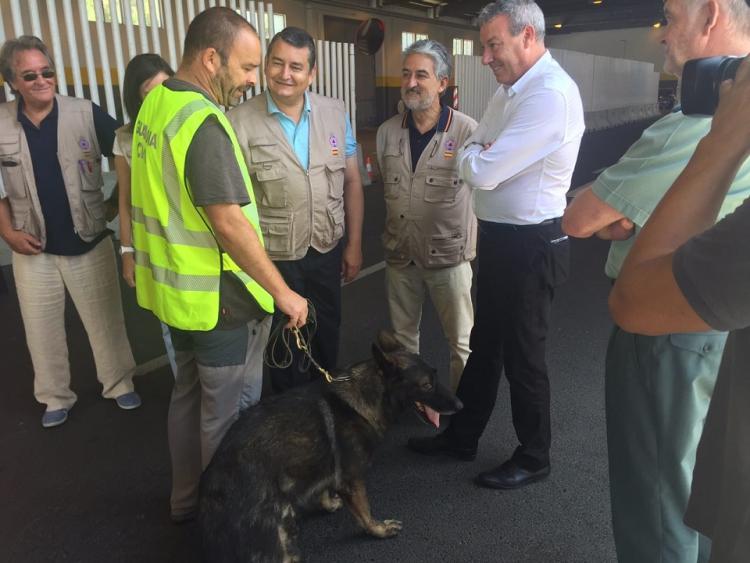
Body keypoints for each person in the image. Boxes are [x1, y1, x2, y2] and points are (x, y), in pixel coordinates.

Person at [562, 1, 750, 560]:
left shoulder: (699, 124)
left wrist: (629, 219)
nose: (662, 35)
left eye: (670, 17)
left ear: (711, 15)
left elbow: (582, 217)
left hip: (666, 332)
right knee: (697, 485)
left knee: (658, 504)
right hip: (720, 323)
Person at [128, 7, 308, 522]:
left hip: (175, 297)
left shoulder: (157, 104)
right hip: (220, 302)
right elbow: (229, 225)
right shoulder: (203, 122)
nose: (255, 81)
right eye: (249, 68)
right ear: (211, 58)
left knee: (186, 399)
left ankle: (185, 502)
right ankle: (226, 520)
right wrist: (283, 293)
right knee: (226, 419)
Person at [408, 0, 584, 490]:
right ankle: (462, 437)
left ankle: (535, 455)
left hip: (532, 244)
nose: (485, 57)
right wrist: (478, 153)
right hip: (502, 240)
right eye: (485, 45)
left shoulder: (550, 96)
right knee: (485, 347)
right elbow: (476, 148)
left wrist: (477, 155)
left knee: (524, 356)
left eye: (493, 44)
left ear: (528, 36)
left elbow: (480, 168)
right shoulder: (511, 91)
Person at [609, 54, 750, 563]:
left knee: (658, 492)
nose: (664, 40)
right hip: (712, 316)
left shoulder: (683, 130)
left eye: (669, 16)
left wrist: (723, 142)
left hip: (675, 319)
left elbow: (634, 296)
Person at [0, 36, 141, 429]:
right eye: (30, 76)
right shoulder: (1, 122)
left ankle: (118, 382)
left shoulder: (84, 113)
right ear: (12, 81)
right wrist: (7, 233)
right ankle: (55, 396)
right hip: (32, 250)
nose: (42, 80)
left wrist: (115, 204)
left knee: (106, 322)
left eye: (48, 72)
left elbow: (127, 151)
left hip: (89, 240)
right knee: (40, 330)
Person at [228, 27, 364, 393]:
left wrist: (353, 244)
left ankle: (324, 404)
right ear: (266, 65)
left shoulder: (335, 113)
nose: (285, 74)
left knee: (326, 333)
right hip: (275, 257)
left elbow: (352, 181)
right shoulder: (238, 122)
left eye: (296, 66)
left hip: (325, 247)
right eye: (277, 63)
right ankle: (291, 416)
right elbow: (234, 209)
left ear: (312, 73)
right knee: (283, 345)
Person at [376, 39, 477, 392]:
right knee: (403, 342)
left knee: (461, 343)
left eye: (422, 74)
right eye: (406, 74)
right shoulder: (388, 132)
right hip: (400, 256)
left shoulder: (466, 131)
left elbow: (483, 191)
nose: (411, 82)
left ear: (442, 83)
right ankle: (409, 401)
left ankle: (462, 416)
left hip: (448, 259)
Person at [114, 53, 179, 376]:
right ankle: (186, 388)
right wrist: (128, 253)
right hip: (154, 250)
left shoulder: (190, 124)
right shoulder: (126, 139)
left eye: (167, 87)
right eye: (150, 93)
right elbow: (124, 202)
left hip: (193, 247)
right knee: (170, 327)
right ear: (136, 99)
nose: (161, 98)